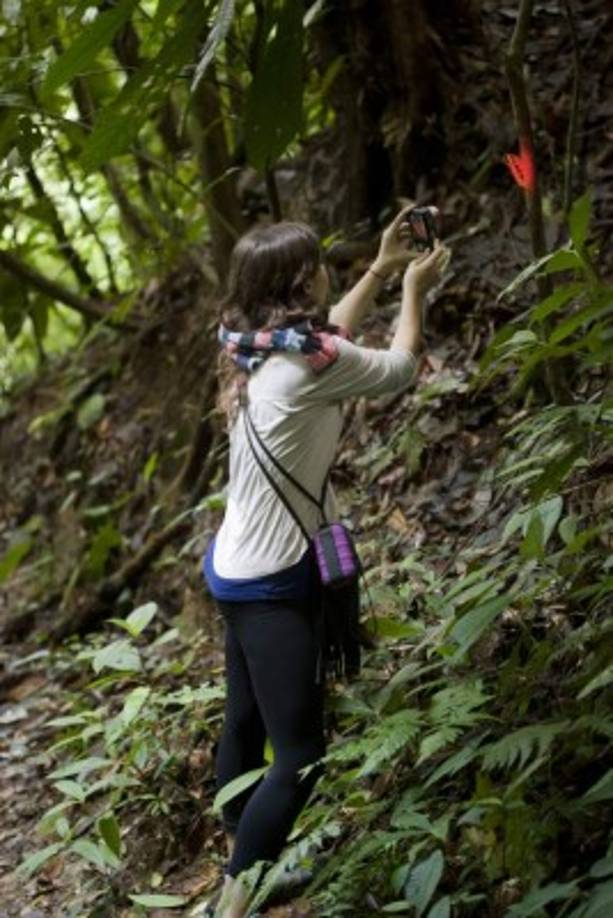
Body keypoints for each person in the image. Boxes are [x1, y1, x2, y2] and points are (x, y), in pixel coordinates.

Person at [201, 205, 449, 917]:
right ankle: (234, 896)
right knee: (300, 754)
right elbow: (398, 366)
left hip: (232, 564)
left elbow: (328, 335)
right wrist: (412, 291)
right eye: (315, 262)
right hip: (271, 583)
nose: (322, 269)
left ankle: (239, 837)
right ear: (296, 279)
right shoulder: (305, 364)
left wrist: (380, 266)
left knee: (244, 722)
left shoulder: (254, 347)